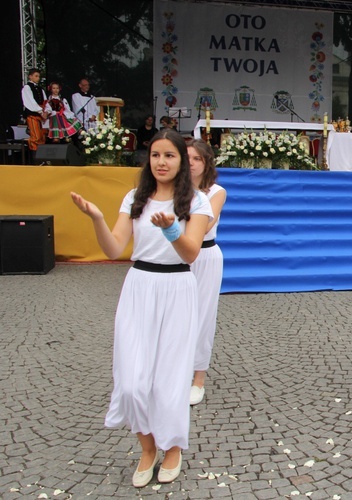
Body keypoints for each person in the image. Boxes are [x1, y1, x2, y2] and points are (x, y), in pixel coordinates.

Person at [70, 128, 212, 487]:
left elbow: (191, 252)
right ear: (147, 160)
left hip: (177, 287)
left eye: (169, 156)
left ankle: (174, 448)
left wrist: (170, 231)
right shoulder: (135, 197)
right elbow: (114, 249)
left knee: (168, 381)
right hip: (138, 288)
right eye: (155, 155)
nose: (161, 162)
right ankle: (147, 448)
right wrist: (97, 218)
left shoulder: (196, 202)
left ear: (182, 162)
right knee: (132, 382)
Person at [186, 139, 226, 406]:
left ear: (206, 163)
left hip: (205, 255)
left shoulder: (216, 192)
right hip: (177, 255)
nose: (191, 163)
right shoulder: (172, 190)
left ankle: (198, 379)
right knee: (176, 315)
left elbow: (206, 222)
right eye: (186, 157)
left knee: (202, 316)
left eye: (197, 158)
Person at [21, 68, 48, 151]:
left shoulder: (40, 89)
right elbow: (30, 102)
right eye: (36, 76)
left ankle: (41, 157)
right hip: (33, 115)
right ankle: (35, 158)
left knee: (42, 136)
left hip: (41, 115)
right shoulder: (27, 87)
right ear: (30, 76)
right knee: (35, 136)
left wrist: (46, 111)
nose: (38, 78)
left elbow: (46, 101)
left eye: (39, 76)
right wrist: (40, 111)